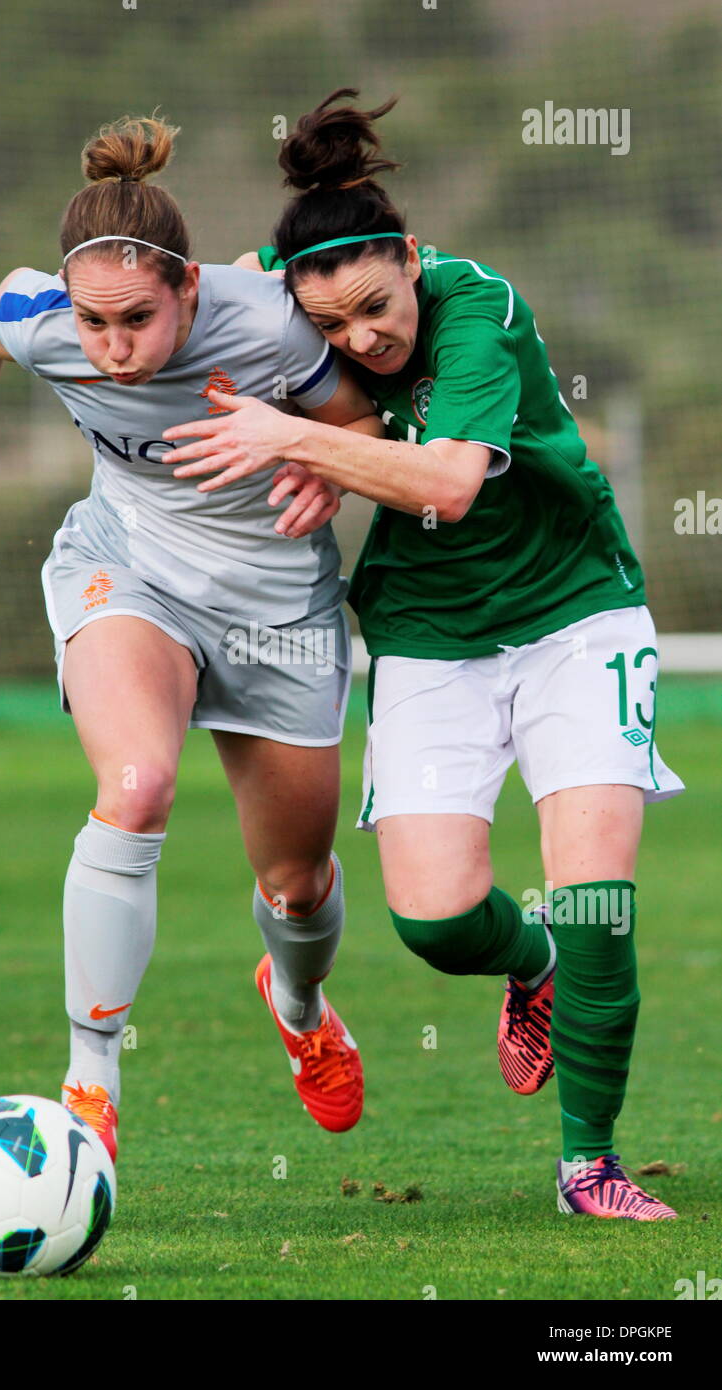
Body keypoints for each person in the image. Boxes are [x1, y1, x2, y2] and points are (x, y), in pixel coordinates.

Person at [161, 89, 685, 1220]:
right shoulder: (285, 280)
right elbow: (174, 300)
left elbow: (447, 480)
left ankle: (585, 1161)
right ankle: (526, 962)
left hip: (573, 613)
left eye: (374, 308)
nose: (359, 338)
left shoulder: (475, 302)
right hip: (428, 634)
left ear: (410, 257)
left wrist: (299, 436)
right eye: (332, 326)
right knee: (437, 921)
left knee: (595, 895)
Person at [0, 112, 384, 1161]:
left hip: (277, 613)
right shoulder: (47, 319)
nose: (110, 348)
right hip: (131, 570)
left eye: (136, 321)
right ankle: (89, 1083)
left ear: (191, 291)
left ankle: (298, 1007)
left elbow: (360, 427)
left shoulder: (264, 326)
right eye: (93, 323)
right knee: (135, 787)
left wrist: (314, 460)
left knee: (295, 882)